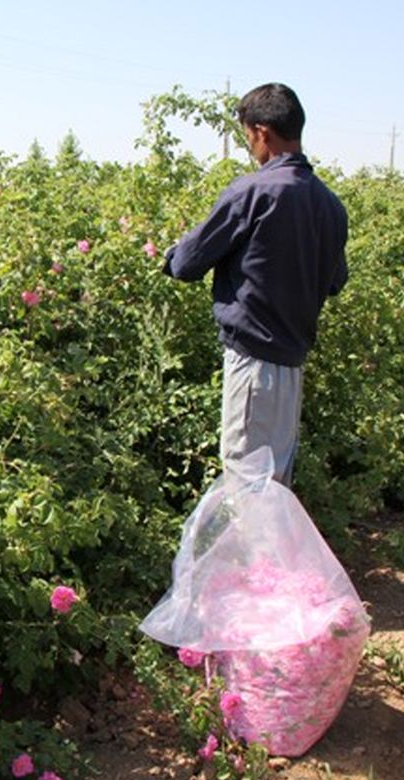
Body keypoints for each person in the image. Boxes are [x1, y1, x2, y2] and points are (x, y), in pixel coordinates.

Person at [162, 83, 348, 485]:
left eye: (248, 137)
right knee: (275, 485)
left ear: (262, 132)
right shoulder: (330, 205)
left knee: (246, 487)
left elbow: (187, 263)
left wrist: (170, 253)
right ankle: (271, 552)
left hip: (253, 366)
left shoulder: (252, 192)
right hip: (291, 367)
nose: (251, 147)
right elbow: (335, 281)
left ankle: (248, 552)